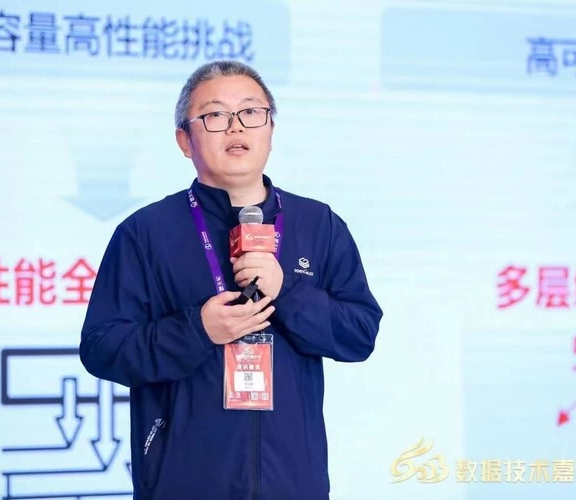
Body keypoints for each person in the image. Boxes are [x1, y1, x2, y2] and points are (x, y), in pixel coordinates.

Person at [79, 60, 383, 500]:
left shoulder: (319, 224)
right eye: (215, 115)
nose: (236, 126)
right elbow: (102, 348)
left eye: (251, 112)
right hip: (184, 484)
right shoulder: (145, 233)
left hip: (293, 483)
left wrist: (287, 292)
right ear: (185, 140)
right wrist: (196, 331)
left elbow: (360, 334)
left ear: (271, 129)